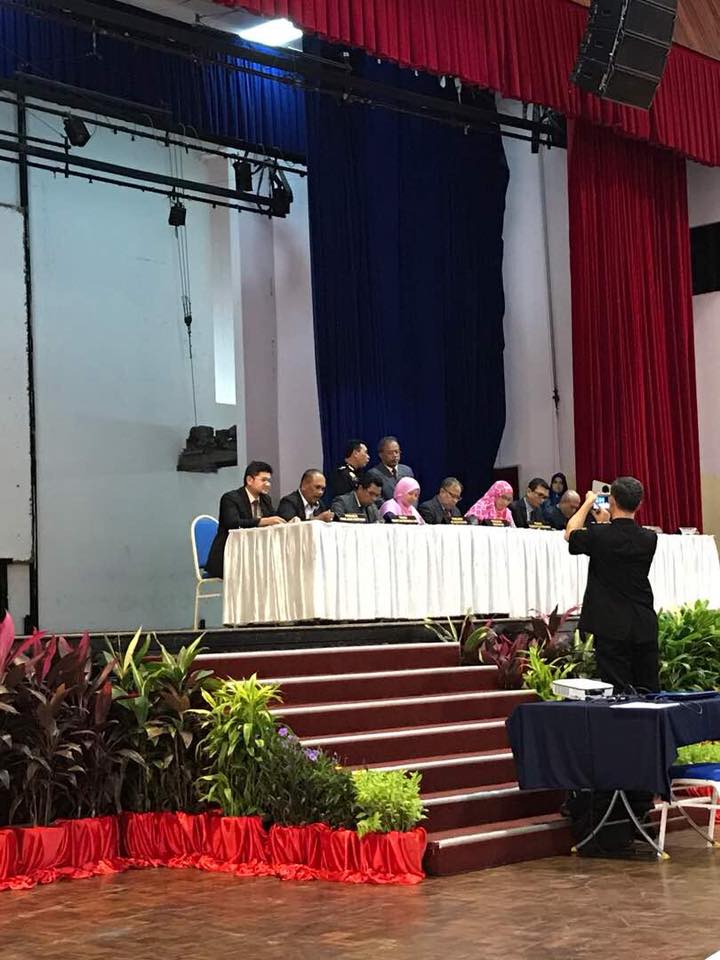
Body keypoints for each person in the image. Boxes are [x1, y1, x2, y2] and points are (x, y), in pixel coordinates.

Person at [565, 477, 659, 693]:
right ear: (639, 504)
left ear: (612, 501)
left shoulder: (600, 534)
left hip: (610, 623)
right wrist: (605, 523)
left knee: (617, 692)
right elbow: (619, 538)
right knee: (649, 690)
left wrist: (589, 502)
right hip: (643, 621)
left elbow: (570, 532)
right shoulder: (649, 538)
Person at [205, 460, 285, 578]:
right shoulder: (230, 498)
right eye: (263, 480)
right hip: (230, 555)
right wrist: (262, 521)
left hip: (256, 554)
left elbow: (273, 520)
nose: (268, 484)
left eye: (269, 481)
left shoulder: (265, 499)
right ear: (249, 480)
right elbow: (232, 523)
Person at [366, 436, 415, 502]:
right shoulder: (373, 474)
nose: (395, 455)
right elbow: (377, 499)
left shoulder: (407, 471)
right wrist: (395, 507)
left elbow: (414, 493)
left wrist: (410, 507)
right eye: (390, 453)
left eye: (397, 452)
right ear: (381, 455)